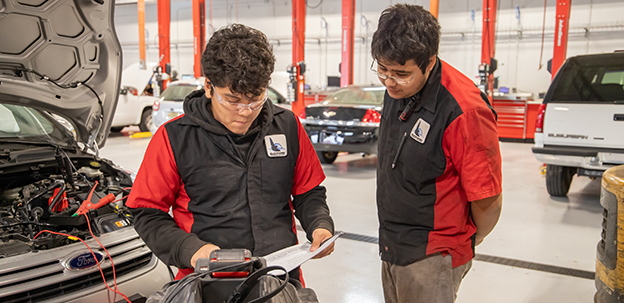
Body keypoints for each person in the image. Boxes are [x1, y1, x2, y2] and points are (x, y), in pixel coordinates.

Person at [125, 24, 335, 281]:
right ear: (208, 87)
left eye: (255, 99)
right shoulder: (174, 138)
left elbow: (308, 192)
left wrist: (320, 225)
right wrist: (191, 250)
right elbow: (147, 212)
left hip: (280, 278)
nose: (245, 111)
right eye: (232, 100)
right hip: (207, 282)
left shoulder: (287, 126)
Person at [371, 4, 503, 303]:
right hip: (392, 244)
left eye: (401, 73)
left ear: (429, 63)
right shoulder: (399, 89)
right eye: (382, 70)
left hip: (433, 255)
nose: (389, 82)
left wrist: (466, 241)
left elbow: (488, 199)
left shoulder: (464, 111)